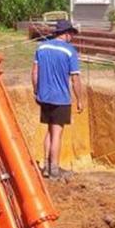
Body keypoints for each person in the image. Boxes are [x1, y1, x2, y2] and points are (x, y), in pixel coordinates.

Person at [33, 19, 86, 179]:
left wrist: (36, 92)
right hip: (61, 98)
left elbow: (34, 73)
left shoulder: (41, 48)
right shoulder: (70, 51)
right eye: (72, 34)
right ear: (67, 33)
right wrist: (80, 99)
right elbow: (75, 79)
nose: (72, 37)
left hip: (44, 96)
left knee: (49, 131)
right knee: (57, 133)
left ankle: (46, 167)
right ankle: (54, 169)